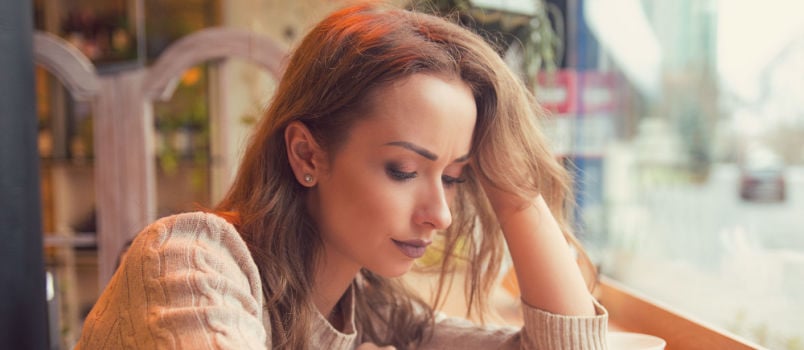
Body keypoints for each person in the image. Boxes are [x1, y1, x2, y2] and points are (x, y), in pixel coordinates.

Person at [76, 3, 608, 349]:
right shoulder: (190, 259)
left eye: (453, 177)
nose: (441, 215)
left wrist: (513, 192)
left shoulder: (373, 315)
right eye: (404, 170)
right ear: (307, 155)